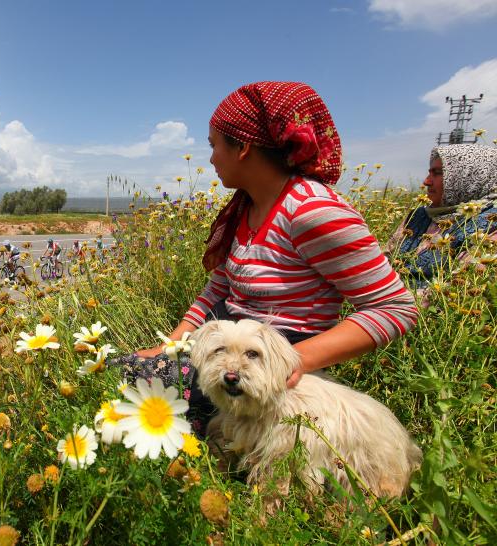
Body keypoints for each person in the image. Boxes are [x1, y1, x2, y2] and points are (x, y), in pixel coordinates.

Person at [131, 81, 418, 434]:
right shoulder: (245, 208)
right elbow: (215, 292)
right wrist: (168, 348)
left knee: (132, 393)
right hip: (226, 349)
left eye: (214, 144)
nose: (210, 158)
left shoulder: (313, 211)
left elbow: (395, 307)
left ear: (243, 147)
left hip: (269, 363)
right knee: (129, 371)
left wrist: (293, 362)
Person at [386, 144, 497, 286]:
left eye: (437, 173)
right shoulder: (418, 216)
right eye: (429, 173)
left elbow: (460, 291)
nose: (426, 181)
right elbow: (383, 262)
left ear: (470, 177)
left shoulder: (489, 228)